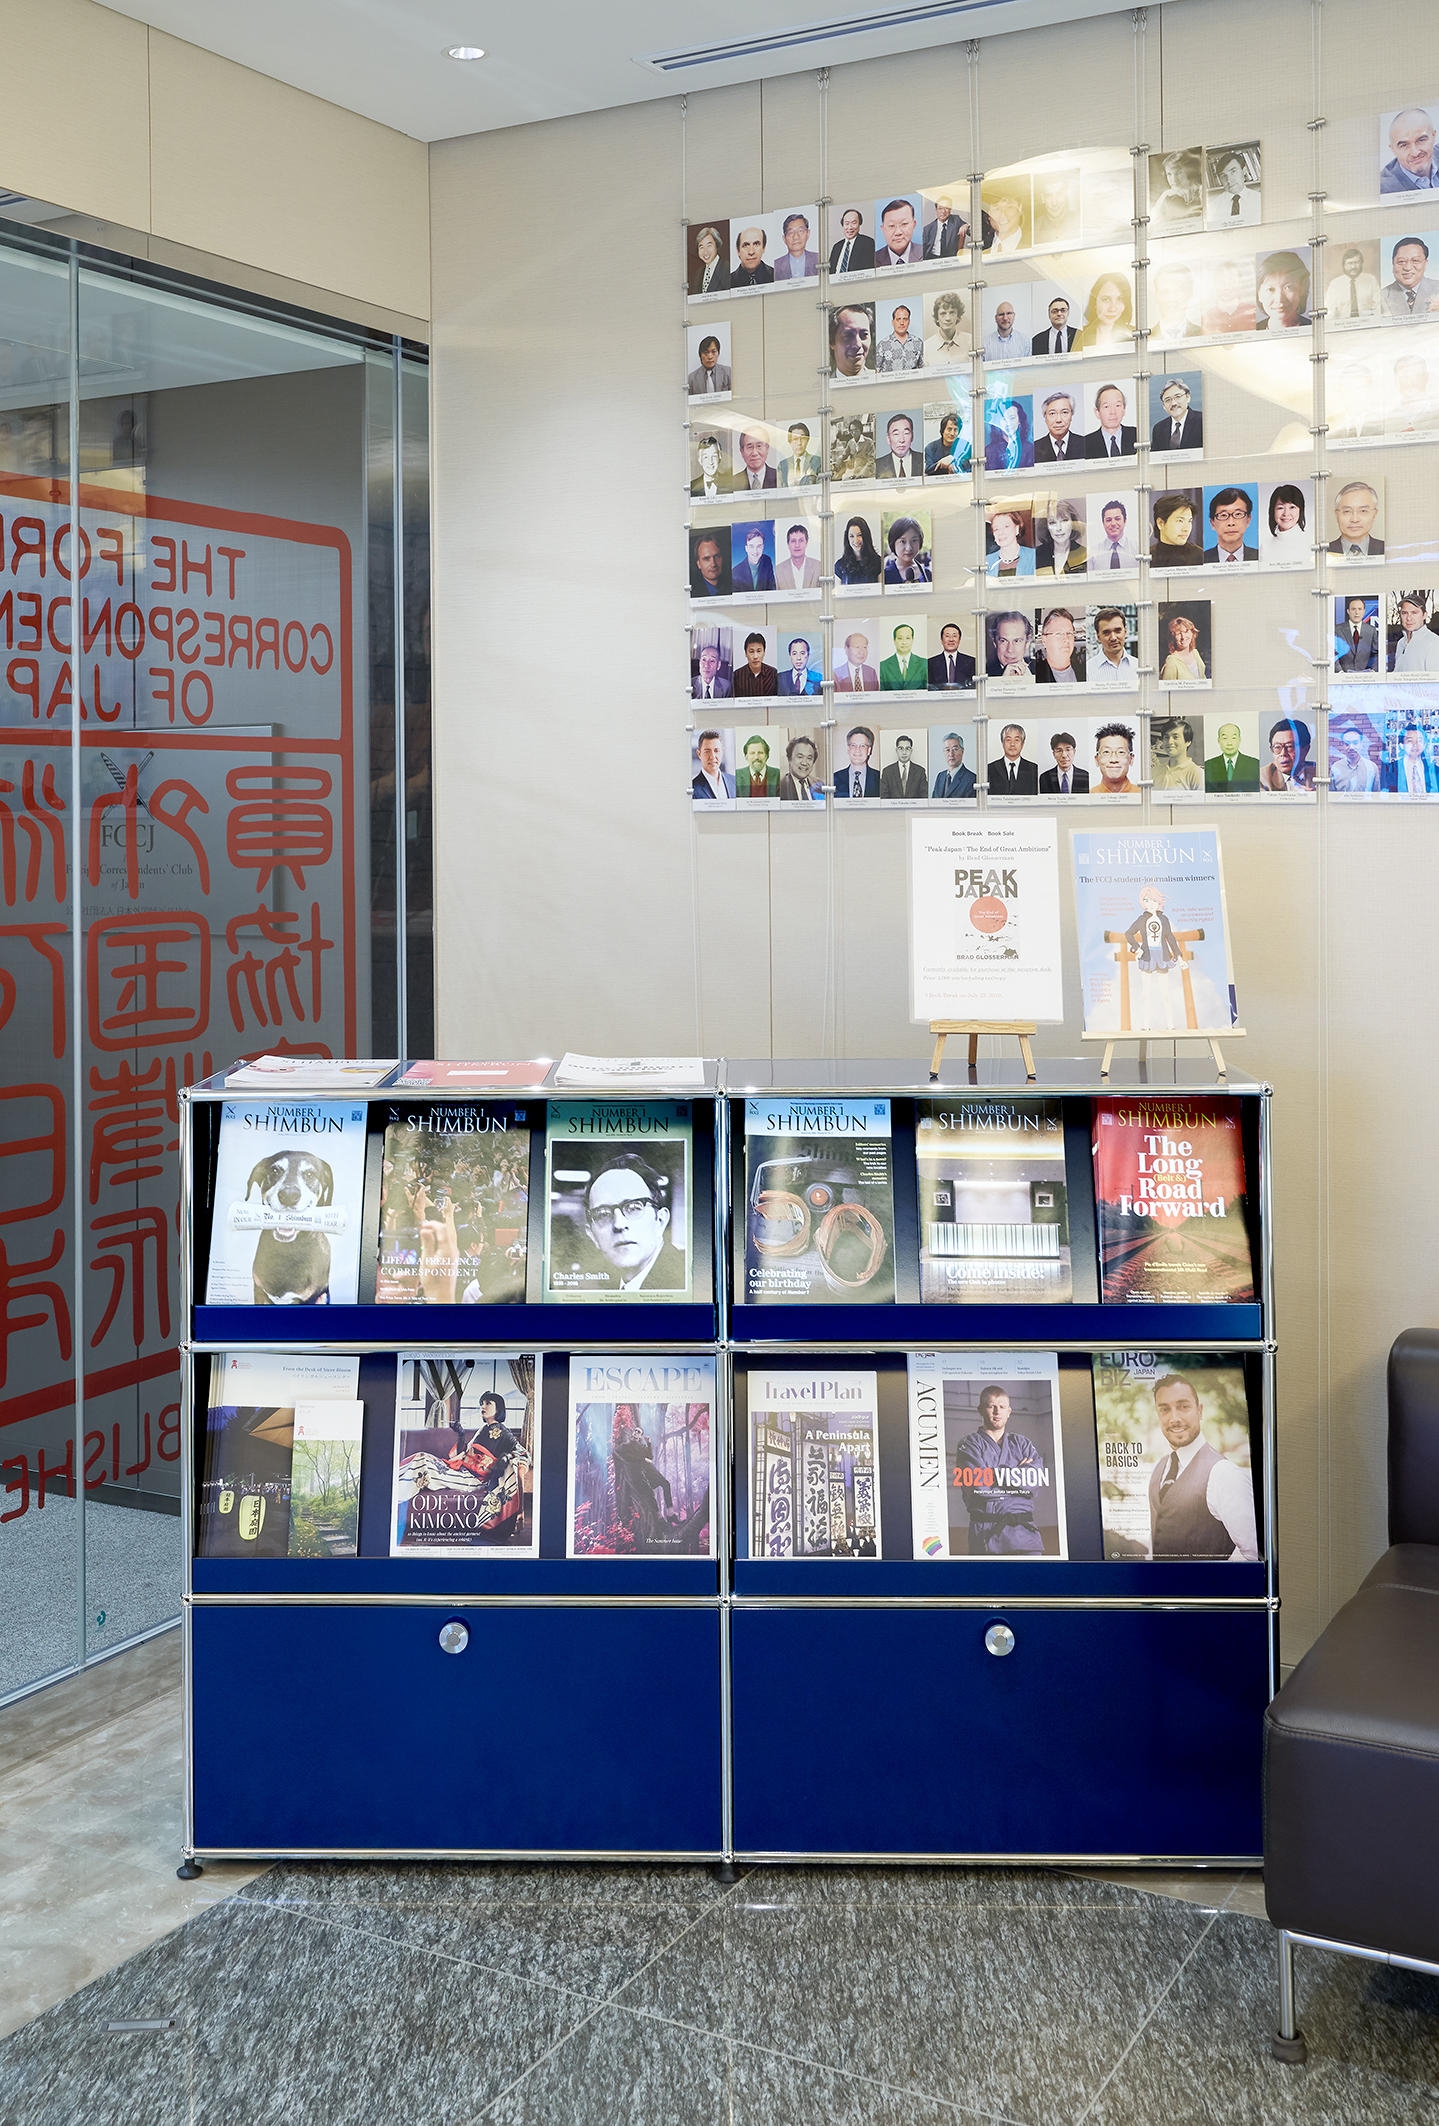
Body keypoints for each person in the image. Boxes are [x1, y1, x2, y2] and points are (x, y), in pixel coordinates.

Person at [1146, 1373, 1258, 1560]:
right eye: (1164, 1409)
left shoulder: (1224, 1474)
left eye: (1183, 1407)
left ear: (1199, 1411)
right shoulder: (1160, 1468)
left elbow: (1252, 1553)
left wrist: (1210, 1583)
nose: (1174, 1418)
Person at [953, 1384, 1051, 1555]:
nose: (997, 1411)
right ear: (981, 1410)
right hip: (986, 1533)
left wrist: (993, 1475)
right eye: (991, 1406)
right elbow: (980, 1488)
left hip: (1026, 1536)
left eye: (1002, 1407)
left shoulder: (1022, 1443)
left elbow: (1034, 1483)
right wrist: (1017, 1476)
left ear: (1009, 1411)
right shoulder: (969, 1444)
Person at [584, 1154, 688, 1292]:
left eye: (633, 1208)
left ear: (660, 1221)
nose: (619, 1224)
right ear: (592, 1235)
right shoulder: (595, 1288)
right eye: (603, 1214)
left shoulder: (688, 1275)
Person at [1381, 106, 1439, 193]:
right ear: (1393, 149)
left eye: (1421, 140)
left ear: (1433, 136)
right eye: (1404, 145)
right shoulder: (1385, 188)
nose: (1415, 153)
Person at [1382, 234, 1439, 319]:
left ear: (1425, 263)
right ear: (1393, 263)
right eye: (1401, 261)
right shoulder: (1381, 296)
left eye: (1415, 260)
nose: (1407, 268)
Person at [1075, 272, 1133, 351]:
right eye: (1106, 299)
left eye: (1119, 299)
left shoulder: (1136, 335)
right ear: (1094, 302)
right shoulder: (1078, 336)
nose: (1112, 308)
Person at [1325, 245, 1382, 324]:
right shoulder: (1335, 284)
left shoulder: (1371, 280)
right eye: (1350, 263)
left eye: (1356, 262)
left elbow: (1379, 306)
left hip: (1367, 323)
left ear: (1362, 263)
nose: (1353, 266)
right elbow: (1329, 312)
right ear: (1344, 265)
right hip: (1343, 326)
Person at [1256, 250, 1311, 331]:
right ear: (1259, 294)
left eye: (1288, 287)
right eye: (1270, 289)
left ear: (1301, 290)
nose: (1279, 299)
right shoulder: (1253, 332)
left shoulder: (1313, 327)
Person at [1386, 353, 1439, 438]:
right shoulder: (1389, 419)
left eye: (1414, 374)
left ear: (1426, 377)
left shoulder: (1436, 411)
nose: (1409, 381)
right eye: (1404, 376)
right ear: (1396, 380)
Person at [1151, 148, 1204, 232]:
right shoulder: (1167, 196)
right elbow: (1151, 225)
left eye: (1179, 173)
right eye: (1169, 174)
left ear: (1189, 172)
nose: (1174, 180)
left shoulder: (1202, 192)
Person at [1328, 480, 1385, 558]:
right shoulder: (1325, 551)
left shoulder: (1386, 548)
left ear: (1374, 514)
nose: (1354, 519)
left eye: (1363, 511)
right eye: (1347, 511)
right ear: (1337, 515)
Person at [1204, 486, 1257, 567]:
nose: (1231, 523)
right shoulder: (1202, 559)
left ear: (1248, 520)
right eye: (1223, 515)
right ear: (1212, 523)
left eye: (1238, 514)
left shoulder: (1260, 557)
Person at [1207, 146, 1261, 225]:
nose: (1229, 180)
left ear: (1244, 171)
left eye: (1233, 172)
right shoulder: (1212, 207)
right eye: (1223, 176)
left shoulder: (1259, 199)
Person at [1202, 256, 1257, 335]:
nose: (1226, 285)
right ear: (1214, 283)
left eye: (1232, 279)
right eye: (1221, 280)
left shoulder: (1253, 313)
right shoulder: (1207, 318)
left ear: (1240, 282)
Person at [1150, 491, 1205, 569]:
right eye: (1180, 521)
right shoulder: (1147, 557)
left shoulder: (1200, 556)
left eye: (1189, 521)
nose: (1186, 529)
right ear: (1161, 523)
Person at [1151, 263, 1201, 344]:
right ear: (1156, 296)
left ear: (1190, 292)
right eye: (1165, 292)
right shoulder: (1145, 339)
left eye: (1178, 291)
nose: (1172, 298)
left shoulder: (1203, 334)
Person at [1033, 607, 1085, 684]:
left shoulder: (1085, 671)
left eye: (1069, 633)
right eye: (1058, 634)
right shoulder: (1035, 676)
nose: (1066, 639)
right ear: (1044, 640)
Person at [1389, 593, 1439, 673]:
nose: (1408, 618)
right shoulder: (1401, 643)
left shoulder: (1434, 642)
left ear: (1424, 615)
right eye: (1404, 613)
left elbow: (1435, 682)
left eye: (1414, 613)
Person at [1382, 722, 1439, 793]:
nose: (1415, 745)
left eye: (1419, 740)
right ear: (1401, 745)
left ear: (1424, 744)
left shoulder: (1435, 770)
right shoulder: (1391, 769)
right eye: (1410, 741)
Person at [1091, 606, 1139, 688]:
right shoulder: (1089, 670)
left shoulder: (1138, 666)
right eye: (1106, 632)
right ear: (1098, 637)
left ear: (1125, 632)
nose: (1113, 638)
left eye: (1117, 631)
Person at [1151, 376, 1203, 452]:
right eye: (1168, 400)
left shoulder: (1202, 421)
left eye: (1178, 396)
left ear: (1188, 397)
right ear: (1164, 406)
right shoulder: (1158, 429)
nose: (1173, 403)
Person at [1204, 720, 1260, 790]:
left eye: (1233, 738)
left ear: (1239, 740)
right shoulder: (1209, 765)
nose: (1229, 743)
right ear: (1219, 740)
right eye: (1225, 738)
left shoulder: (1254, 764)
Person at [1261, 717, 1315, 790]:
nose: (1283, 753)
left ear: (1306, 749)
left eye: (1289, 747)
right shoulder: (1262, 777)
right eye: (1277, 747)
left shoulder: (1323, 774)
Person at [1038, 496, 1087, 576]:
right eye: (1052, 522)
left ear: (1073, 523)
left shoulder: (1085, 554)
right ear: (1046, 526)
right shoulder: (1036, 555)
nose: (1059, 528)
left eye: (1064, 520)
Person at [1261, 484, 1309, 567]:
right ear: (1273, 511)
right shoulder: (1264, 546)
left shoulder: (1310, 542)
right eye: (1280, 508)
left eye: (1292, 507)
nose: (1286, 514)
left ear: (1300, 510)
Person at [1152, 715, 1204, 790]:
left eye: (1175, 737)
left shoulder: (1196, 773)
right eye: (1166, 737)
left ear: (1188, 742)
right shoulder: (1155, 771)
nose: (1170, 742)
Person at [1085, 382, 1134, 460]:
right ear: (1097, 412)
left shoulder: (1137, 435)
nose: (1113, 412)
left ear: (1124, 409)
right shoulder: (1086, 443)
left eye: (1117, 405)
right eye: (1106, 406)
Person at [1033, 387, 1082, 465]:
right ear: (1045, 417)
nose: (1058, 420)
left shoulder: (1084, 443)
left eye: (1064, 412)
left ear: (1071, 415)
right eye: (1052, 413)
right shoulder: (1034, 448)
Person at [987, 720, 1039, 791]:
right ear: (1002, 742)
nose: (1012, 744)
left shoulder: (1034, 769)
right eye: (1008, 740)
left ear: (1022, 743)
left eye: (1016, 740)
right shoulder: (990, 769)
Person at [924, 292, 972, 368]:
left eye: (952, 313)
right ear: (937, 318)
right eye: (943, 313)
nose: (948, 318)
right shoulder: (926, 347)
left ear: (958, 316)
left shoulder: (970, 341)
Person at [985, 397, 1032, 473]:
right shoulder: (989, 451)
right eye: (1003, 419)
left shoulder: (1029, 449)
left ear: (1019, 421)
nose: (1008, 422)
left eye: (1012, 418)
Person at [987, 613, 1036, 687]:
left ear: (1027, 643)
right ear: (995, 643)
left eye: (1017, 641)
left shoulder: (1040, 669)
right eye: (1003, 641)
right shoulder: (984, 676)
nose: (1010, 650)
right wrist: (1002, 683)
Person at [1159, 610, 1207, 683]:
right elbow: (1167, 691)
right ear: (1173, 638)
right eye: (1178, 634)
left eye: (1186, 632)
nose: (1183, 637)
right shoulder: (1171, 662)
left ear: (1192, 633)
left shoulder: (1195, 653)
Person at [1329, 723, 1379, 793]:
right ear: (1343, 745)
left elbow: (1376, 796)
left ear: (1361, 744)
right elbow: (1331, 796)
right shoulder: (1336, 768)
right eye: (1347, 744)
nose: (1351, 747)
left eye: (1355, 743)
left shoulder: (1372, 768)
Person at [986, 506, 1034, 578]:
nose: (1001, 533)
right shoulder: (987, 561)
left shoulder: (1033, 556)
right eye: (996, 529)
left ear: (1017, 529)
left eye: (1006, 526)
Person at [834, 724, 880, 797]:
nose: (857, 750)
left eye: (862, 746)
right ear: (848, 749)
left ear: (869, 750)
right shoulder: (835, 779)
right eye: (853, 745)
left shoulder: (880, 779)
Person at [830, 304, 874, 380]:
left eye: (864, 335)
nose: (858, 344)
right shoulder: (824, 387)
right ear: (832, 342)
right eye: (848, 336)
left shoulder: (881, 380)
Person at [1335, 596, 1379, 674]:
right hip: (1343, 678)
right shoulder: (1337, 630)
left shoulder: (1371, 630)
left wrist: (1373, 671)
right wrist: (1340, 672)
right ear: (1348, 611)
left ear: (1364, 611)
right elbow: (1334, 653)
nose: (1357, 612)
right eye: (1353, 609)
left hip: (1366, 678)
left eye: (1359, 609)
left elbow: (1376, 654)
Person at [835, 516, 882, 587]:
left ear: (866, 536)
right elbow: (838, 594)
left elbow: (881, 593)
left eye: (859, 535)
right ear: (847, 538)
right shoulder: (840, 565)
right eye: (851, 536)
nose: (856, 540)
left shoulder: (878, 562)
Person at [1034, 172, 1079, 245]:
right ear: (1043, 198)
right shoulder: (1034, 229)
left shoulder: (1079, 221)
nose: (1054, 202)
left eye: (1059, 194)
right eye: (1049, 196)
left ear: (1066, 194)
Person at [877, 302, 923, 373]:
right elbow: (876, 372)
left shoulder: (918, 343)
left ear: (909, 321)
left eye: (905, 319)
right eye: (898, 319)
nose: (902, 323)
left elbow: (923, 370)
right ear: (893, 322)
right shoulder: (882, 345)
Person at [876, 197, 923, 267]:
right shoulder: (873, 259)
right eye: (891, 226)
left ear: (914, 224)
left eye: (904, 224)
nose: (898, 232)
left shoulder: (926, 253)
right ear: (883, 229)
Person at [1093, 721, 1138, 794]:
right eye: (1106, 752)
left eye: (1121, 752)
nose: (1113, 760)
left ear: (1131, 759)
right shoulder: (1089, 795)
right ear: (1097, 760)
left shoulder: (1142, 795)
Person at [928, 621, 976, 690]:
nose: (951, 639)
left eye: (954, 636)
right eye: (947, 636)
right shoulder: (930, 663)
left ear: (959, 640)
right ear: (941, 640)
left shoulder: (971, 662)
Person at [884, 516, 930, 585]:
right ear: (893, 543)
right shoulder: (885, 576)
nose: (909, 548)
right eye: (903, 541)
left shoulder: (927, 573)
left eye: (914, 540)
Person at [774, 521, 820, 591]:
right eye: (793, 541)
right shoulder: (778, 570)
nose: (797, 545)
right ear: (788, 544)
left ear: (806, 543)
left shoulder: (818, 566)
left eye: (801, 540)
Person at [1093, 497, 1137, 570]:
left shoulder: (1138, 548)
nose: (1113, 523)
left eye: (1117, 519)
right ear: (1103, 523)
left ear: (1125, 521)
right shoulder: (1093, 552)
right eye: (1108, 520)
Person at [829, 207, 876, 276]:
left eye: (854, 223)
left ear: (859, 224)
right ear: (843, 225)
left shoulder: (867, 243)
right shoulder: (837, 246)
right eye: (847, 223)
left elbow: (868, 270)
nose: (850, 227)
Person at [875, 412, 921, 481]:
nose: (901, 440)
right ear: (888, 439)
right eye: (896, 434)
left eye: (906, 433)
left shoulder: (923, 459)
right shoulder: (877, 465)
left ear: (912, 437)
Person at [880, 622, 927, 690]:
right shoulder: (883, 666)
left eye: (907, 638)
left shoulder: (923, 663)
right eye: (900, 638)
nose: (904, 642)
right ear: (894, 640)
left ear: (912, 640)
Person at [773, 210, 818, 281]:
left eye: (800, 231)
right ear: (784, 238)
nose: (796, 237)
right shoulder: (776, 265)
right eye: (791, 232)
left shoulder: (818, 259)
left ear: (808, 234)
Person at [880, 733, 928, 799]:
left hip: (914, 809)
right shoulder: (887, 772)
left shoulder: (920, 771)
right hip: (893, 809)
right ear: (896, 750)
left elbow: (924, 797)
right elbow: (884, 797)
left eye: (907, 748)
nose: (904, 752)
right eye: (901, 748)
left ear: (911, 751)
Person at [931, 730, 977, 798]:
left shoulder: (971, 779)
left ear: (962, 751)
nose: (951, 754)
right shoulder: (940, 776)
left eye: (955, 749)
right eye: (947, 750)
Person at [924, 408, 969, 477]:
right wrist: (942, 464)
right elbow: (928, 469)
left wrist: (953, 459)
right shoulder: (930, 447)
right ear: (942, 430)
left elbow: (968, 464)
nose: (952, 433)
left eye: (955, 430)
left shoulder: (965, 446)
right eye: (949, 429)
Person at [778, 731, 822, 801]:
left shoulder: (820, 785)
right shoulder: (779, 787)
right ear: (789, 759)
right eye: (800, 757)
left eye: (809, 758)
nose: (804, 763)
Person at [691, 730, 734, 800]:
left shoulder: (734, 781)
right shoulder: (693, 788)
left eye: (716, 750)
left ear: (722, 752)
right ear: (699, 754)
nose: (712, 756)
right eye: (707, 751)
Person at [830, 416, 876, 481]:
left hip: (867, 472)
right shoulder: (850, 442)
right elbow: (844, 455)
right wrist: (839, 460)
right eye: (851, 431)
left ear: (860, 430)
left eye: (855, 430)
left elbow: (871, 461)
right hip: (854, 471)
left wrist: (862, 474)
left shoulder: (869, 442)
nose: (853, 433)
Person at [732, 526, 775, 594]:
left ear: (763, 547)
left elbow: (772, 587)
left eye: (759, 546)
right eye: (751, 546)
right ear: (746, 548)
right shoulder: (735, 572)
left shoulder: (767, 561)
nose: (755, 551)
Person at [733, 631, 778, 696]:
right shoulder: (736, 676)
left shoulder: (773, 674)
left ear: (764, 652)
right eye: (751, 652)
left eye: (759, 651)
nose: (755, 656)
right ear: (746, 653)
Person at [984, 190, 1027, 255]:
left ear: (1020, 209)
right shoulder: (980, 247)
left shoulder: (1037, 242)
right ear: (988, 213)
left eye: (1009, 207)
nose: (1003, 215)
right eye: (997, 208)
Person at [738, 731, 781, 796]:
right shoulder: (737, 776)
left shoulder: (778, 775)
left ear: (767, 756)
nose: (756, 757)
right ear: (746, 757)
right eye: (752, 753)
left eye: (760, 753)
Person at [690, 433, 731, 500]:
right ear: (700, 460)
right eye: (706, 457)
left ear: (720, 457)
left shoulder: (730, 484)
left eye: (714, 456)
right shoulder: (692, 487)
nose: (710, 462)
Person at [691, 223, 728, 296]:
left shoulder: (727, 268)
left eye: (709, 245)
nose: (705, 252)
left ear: (717, 245)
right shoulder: (698, 273)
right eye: (701, 247)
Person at [689, 531, 729, 598]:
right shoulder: (693, 593)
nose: (713, 564)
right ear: (698, 564)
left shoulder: (735, 585)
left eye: (717, 556)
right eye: (706, 559)